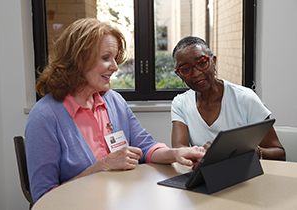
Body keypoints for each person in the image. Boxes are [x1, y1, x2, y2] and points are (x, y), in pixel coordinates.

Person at [25, 19, 205, 203]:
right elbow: (44, 197)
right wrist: (103, 166)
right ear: (78, 59)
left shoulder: (114, 101)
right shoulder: (45, 117)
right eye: (105, 58)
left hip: (118, 201)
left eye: (114, 58)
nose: (115, 67)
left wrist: (176, 154)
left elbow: (144, 146)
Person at [171, 36, 286, 161]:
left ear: (213, 61)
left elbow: (280, 154)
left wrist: (247, 151)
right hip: (205, 176)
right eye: (186, 69)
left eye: (202, 63)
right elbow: (179, 148)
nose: (196, 73)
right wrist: (195, 155)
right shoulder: (180, 103)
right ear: (179, 74)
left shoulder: (245, 98)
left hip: (244, 176)